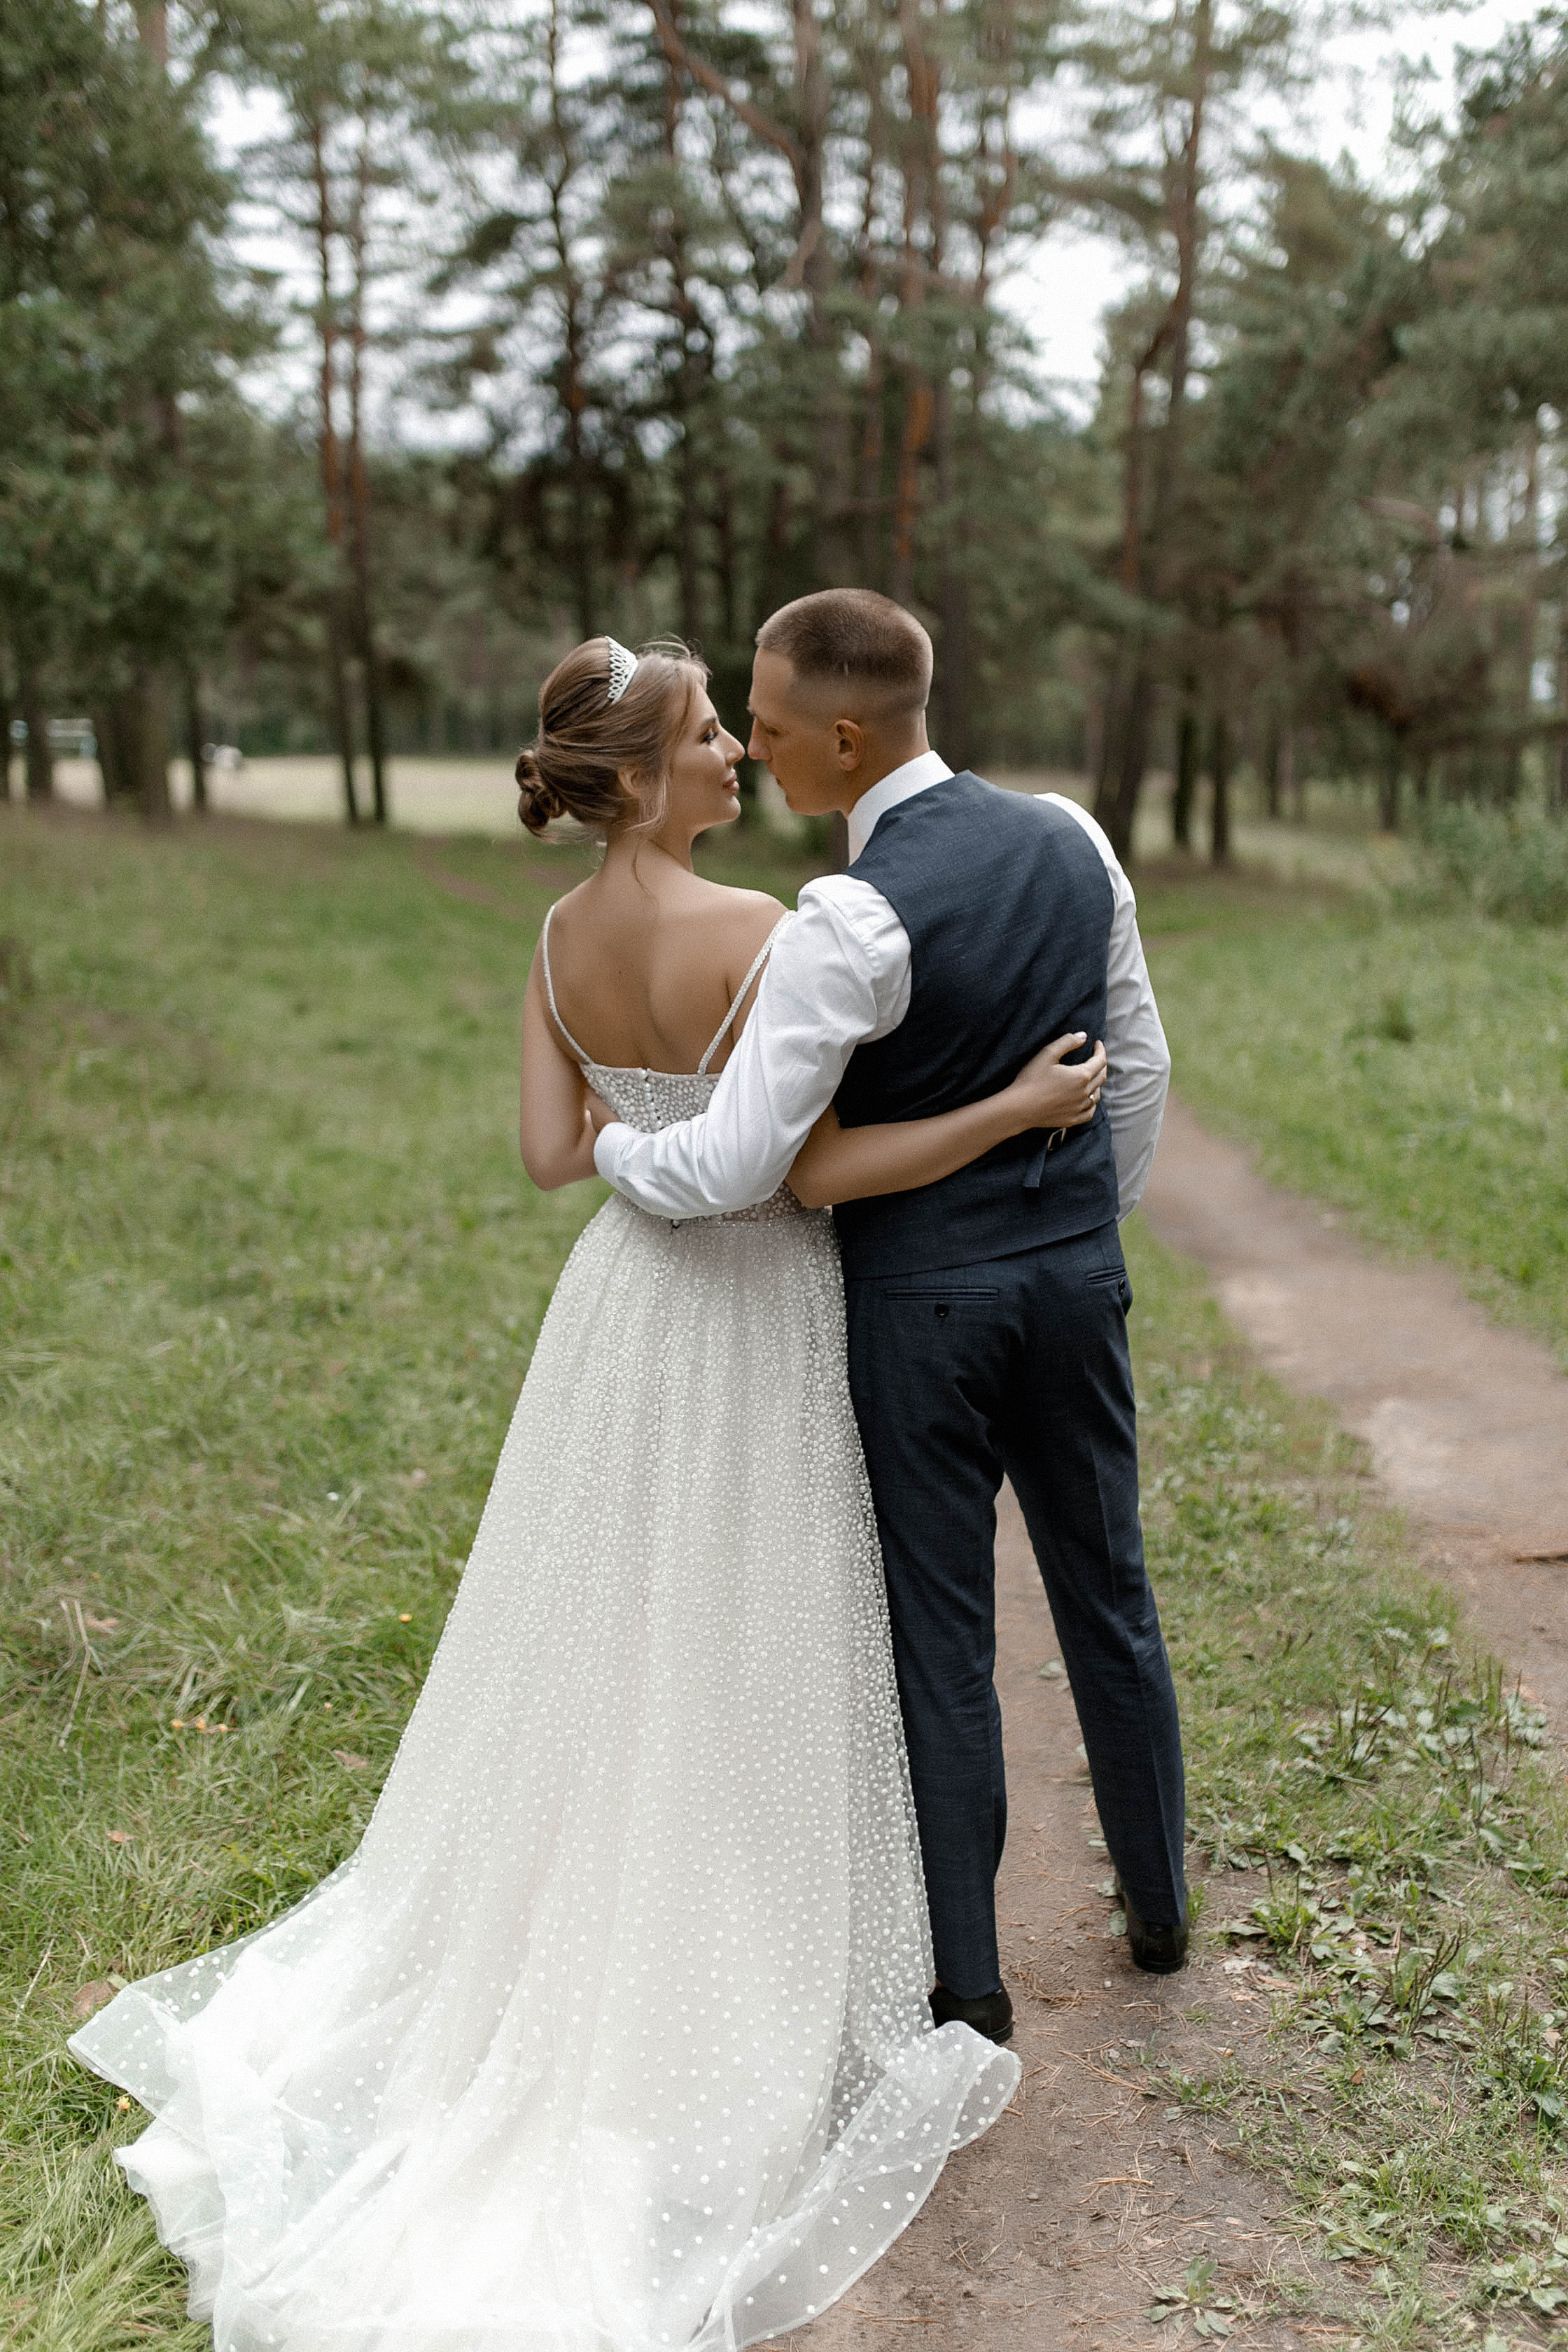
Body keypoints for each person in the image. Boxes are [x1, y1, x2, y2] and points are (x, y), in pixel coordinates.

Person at [69, 634, 1110, 2351]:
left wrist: (642, 1157)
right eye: (708, 736)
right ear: (638, 776)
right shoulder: (769, 930)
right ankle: (730, 1959)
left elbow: (555, 1156)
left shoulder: (558, 938)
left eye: (730, 731)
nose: (730, 757)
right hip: (760, 1313)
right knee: (749, 1625)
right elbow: (815, 1169)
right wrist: (1008, 1110)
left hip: (618, 1315)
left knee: (605, 1623)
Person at [592, 591, 1186, 2053]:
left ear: (846, 738)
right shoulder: (1071, 836)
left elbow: (737, 1165)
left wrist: (617, 1155)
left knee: (942, 1634)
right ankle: (1161, 1916)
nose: (764, 754)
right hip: (1072, 1282)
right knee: (1108, 1589)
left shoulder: (845, 918)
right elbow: (1140, 1069)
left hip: (919, 1311)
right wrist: (1069, 1226)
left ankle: (970, 1992)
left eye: (776, 730)